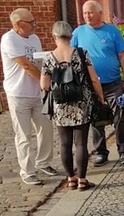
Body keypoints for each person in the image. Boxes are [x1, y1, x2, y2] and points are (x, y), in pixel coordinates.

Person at [40, 21, 104, 191]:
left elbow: (44, 85)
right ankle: (82, 180)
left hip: (60, 105)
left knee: (64, 143)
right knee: (81, 143)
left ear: (54, 36)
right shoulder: (81, 54)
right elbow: (94, 79)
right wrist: (101, 97)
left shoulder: (48, 58)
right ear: (71, 36)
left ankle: (70, 179)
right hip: (81, 103)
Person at [71, 0, 124, 167]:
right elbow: (72, 56)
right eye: (84, 13)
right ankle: (100, 152)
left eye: (90, 12)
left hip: (113, 83)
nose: (87, 16)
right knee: (96, 118)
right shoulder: (78, 32)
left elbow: (122, 56)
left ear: (99, 13)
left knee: (119, 117)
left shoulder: (112, 32)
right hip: (90, 84)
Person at [0, 8, 57, 185]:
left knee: (45, 129)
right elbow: (25, 65)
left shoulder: (34, 38)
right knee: (23, 134)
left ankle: (43, 162)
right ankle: (27, 170)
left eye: (34, 21)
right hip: (19, 93)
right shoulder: (9, 39)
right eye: (30, 23)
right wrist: (45, 79)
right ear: (18, 24)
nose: (34, 26)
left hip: (37, 93)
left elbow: (38, 61)